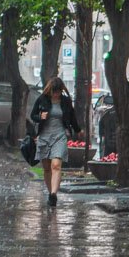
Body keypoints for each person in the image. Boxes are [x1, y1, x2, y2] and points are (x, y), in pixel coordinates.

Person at [30, 77, 82, 206]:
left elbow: (72, 117)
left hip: (60, 136)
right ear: (50, 90)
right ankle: (50, 194)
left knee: (56, 165)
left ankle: (54, 194)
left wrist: (78, 130)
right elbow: (33, 115)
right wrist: (39, 117)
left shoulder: (65, 101)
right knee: (47, 168)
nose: (56, 94)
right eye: (54, 91)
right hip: (44, 136)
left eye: (59, 91)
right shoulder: (42, 99)